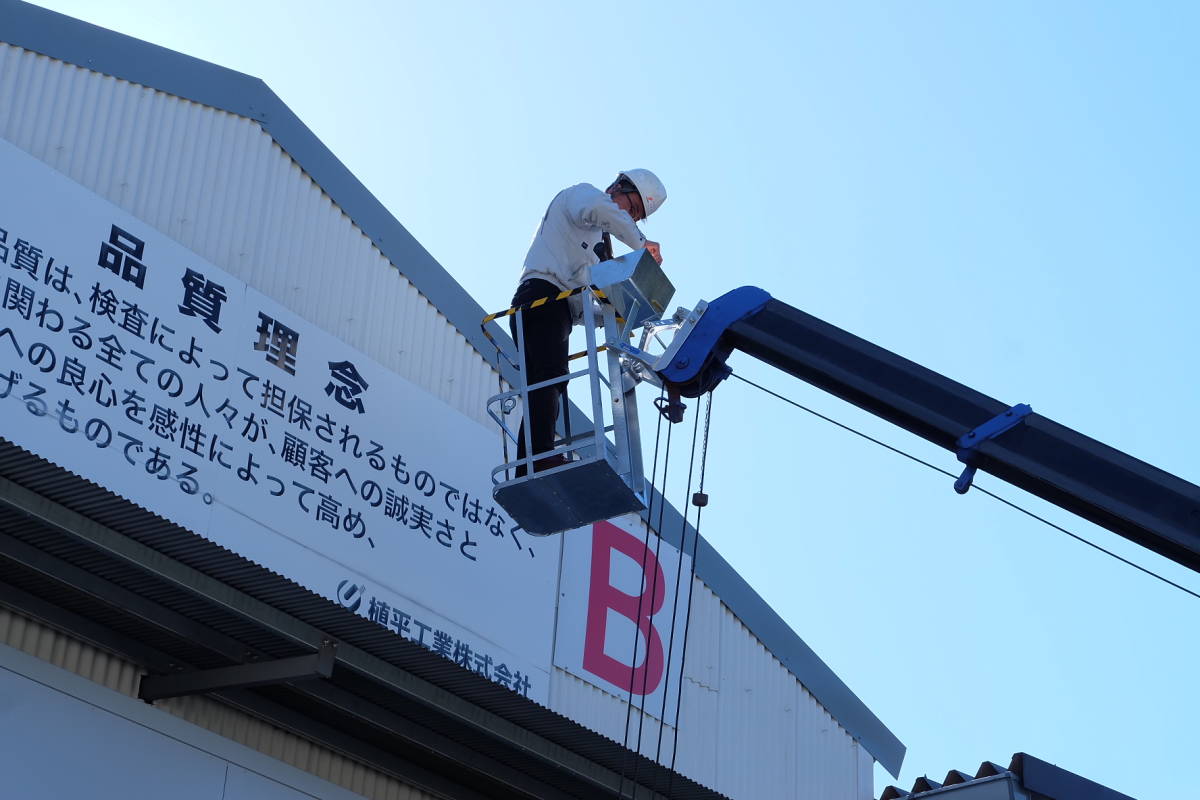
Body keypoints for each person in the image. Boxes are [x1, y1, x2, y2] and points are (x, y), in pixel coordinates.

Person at [510, 169, 667, 475]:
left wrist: (617, 316)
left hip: (557, 311)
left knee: (553, 381)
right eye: (631, 206)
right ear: (617, 187)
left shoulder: (595, 250)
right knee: (547, 379)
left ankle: (534, 461)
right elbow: (604, 211)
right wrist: (641, 243)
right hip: (539, 298)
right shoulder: (582, 197)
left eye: (635, 215)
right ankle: (536, 461)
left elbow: (579, 306)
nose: (628, 215)